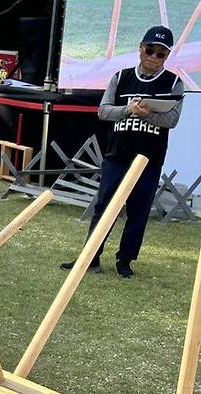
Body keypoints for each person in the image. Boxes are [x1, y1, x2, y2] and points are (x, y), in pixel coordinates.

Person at [60, 25, 184, 278]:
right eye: (150, 50)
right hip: (117, 155)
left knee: (138, 211)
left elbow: (172, 119)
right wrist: (128, 110)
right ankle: (90, 258)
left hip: (149, 158)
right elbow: (103, 111)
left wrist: (148, 114)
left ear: (166, 57)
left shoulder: (174, 82)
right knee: (104, 207)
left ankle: (125, 261)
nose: (153, 57)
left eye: (161, 54)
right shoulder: (120, 77)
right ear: (141, 48)